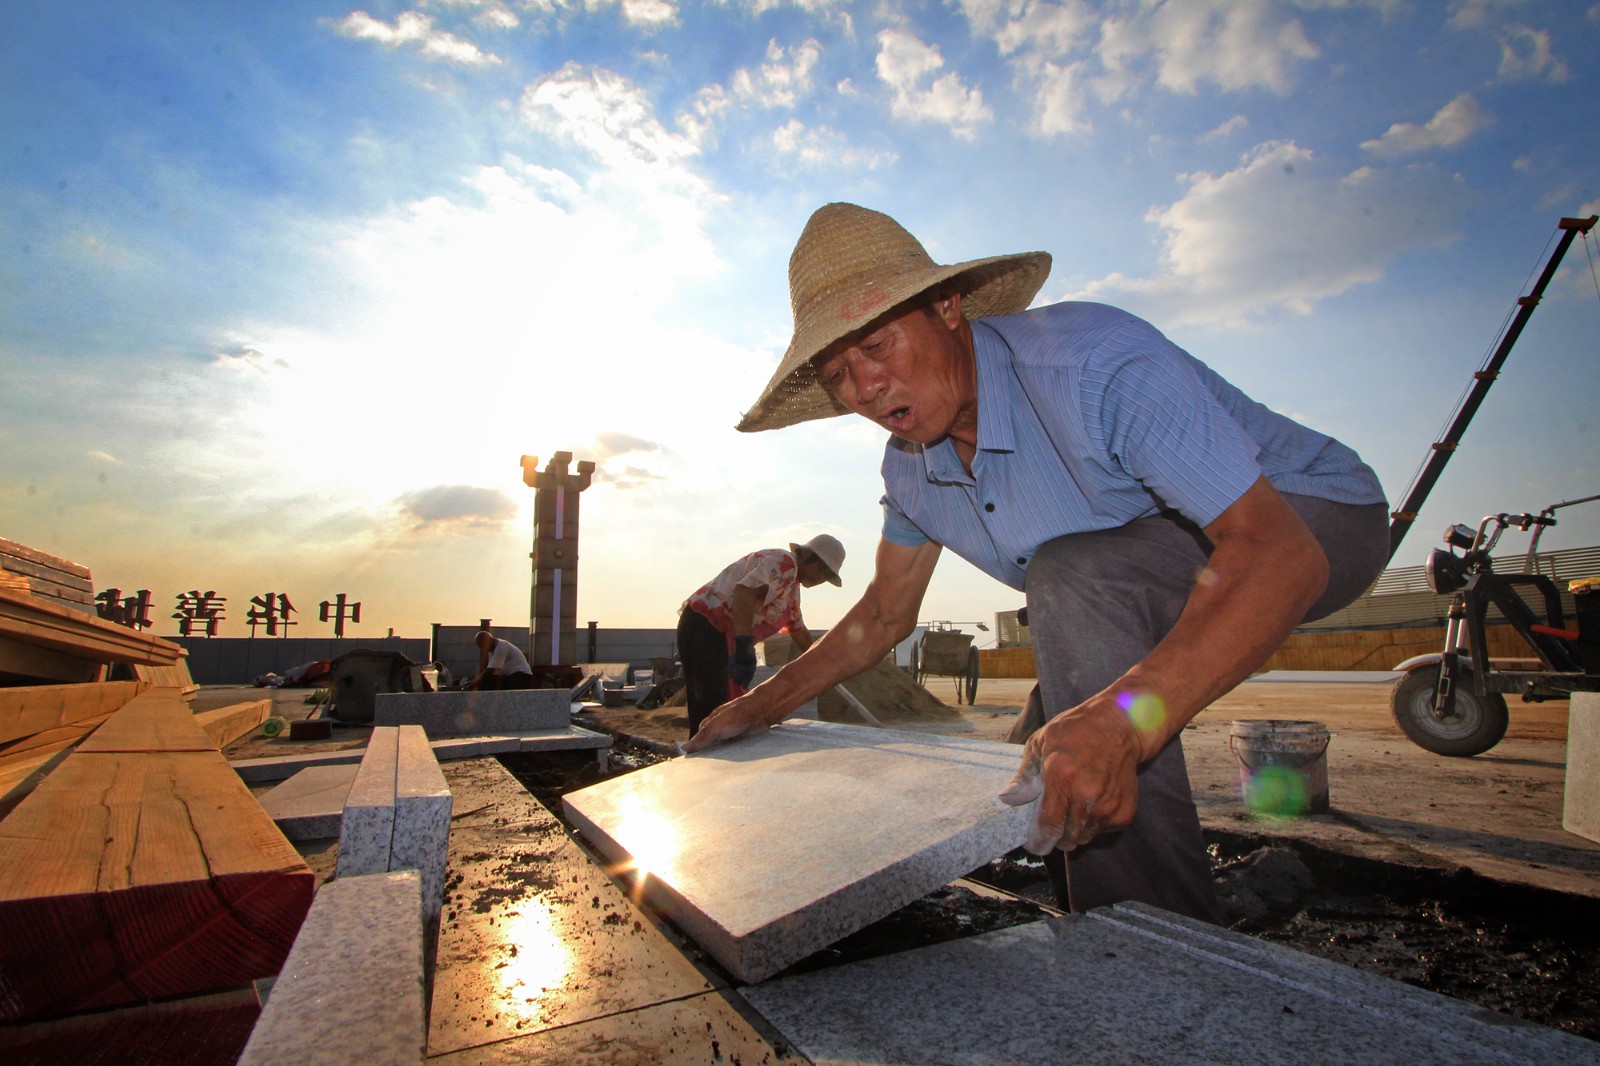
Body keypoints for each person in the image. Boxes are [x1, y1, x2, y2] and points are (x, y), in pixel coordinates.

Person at [685, 203, 1389, 923]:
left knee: (1074, 591)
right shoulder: (910, 473)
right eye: (838, 373)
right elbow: (884, 614)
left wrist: (1122, 723)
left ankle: (1146, 938)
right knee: (1030, 760)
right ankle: (1065, 886)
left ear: (946, 306)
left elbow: (1278, 554)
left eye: (878, 345)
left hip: (1309, 519)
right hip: (1135, 570)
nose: (864, 385)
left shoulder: (1091, 362)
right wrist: (763, 703)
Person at [677, 534, 846, 738]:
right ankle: (703, 759)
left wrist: (822, 662)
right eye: (822, 569)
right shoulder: (782, 563)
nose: (821, 579)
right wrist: (743, 645)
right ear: (808, 556)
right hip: (705, 626)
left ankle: (711, 755)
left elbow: (798, 630)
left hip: (719, 634)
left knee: (723, 707)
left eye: (827, 576)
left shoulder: (791, 589)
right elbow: (744, 594)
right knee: (710, 704)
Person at [470, 631, 535, 690]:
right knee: (489, 681)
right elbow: (491, 671)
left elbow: (491, 670)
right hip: (511, 676)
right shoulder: (491, 651)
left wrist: (476, 682)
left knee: (488, 681)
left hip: (522, 677)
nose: (484, 649)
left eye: (484, 646)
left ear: (490, 640)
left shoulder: (501, 646)